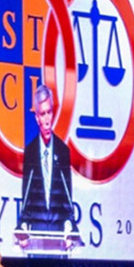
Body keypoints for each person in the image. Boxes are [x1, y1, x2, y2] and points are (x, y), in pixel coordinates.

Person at [20, 84, 76, 235]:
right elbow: (26, 202)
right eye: (42, 114)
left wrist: (70, 226)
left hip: (58, 236)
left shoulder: (63, 152)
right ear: (37, 117)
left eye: (49, 113)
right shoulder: (30, 152)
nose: (46, 119)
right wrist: (23, 226)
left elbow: (67, 202)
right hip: (37, 237)